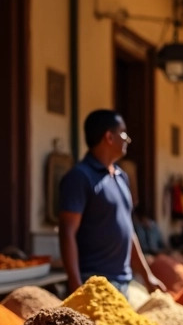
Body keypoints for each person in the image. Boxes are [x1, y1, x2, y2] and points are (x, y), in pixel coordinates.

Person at [59, 110, 164, 296]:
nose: (127, 139)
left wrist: (148, 277)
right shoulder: (80, 177)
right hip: (93, 283)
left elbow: (128, 231)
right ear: (108, 137)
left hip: (123, 282)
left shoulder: (121, 176)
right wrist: (75, 284)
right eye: (123, 133)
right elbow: (67, 232)